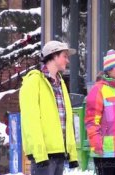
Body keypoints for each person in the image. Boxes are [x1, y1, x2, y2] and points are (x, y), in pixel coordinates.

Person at [19, 40, 79, 175]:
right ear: (54, 56)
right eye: (64, 56)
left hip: (59, 153)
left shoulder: (61, 83)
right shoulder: (33, 82)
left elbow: (67, 121)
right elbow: (31, 121)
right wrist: (39, 154)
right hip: (44, 155)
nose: (67, 60)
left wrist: (71, 153)